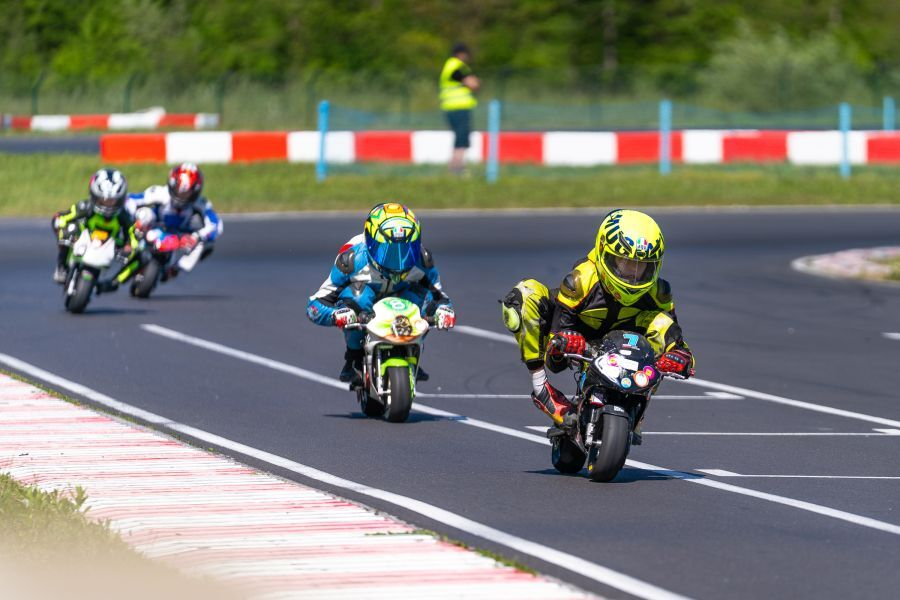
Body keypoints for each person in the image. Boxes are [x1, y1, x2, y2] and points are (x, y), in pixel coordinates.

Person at [500, 209, 695, 434]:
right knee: (525, 294)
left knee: (662, 325)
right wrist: (565, 340)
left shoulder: (659, 292)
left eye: (641, 266)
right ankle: (541, 388)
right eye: (625, 263)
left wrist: (679, 356)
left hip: (630, 344)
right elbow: (556, 358)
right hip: (581, 339)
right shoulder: (581, 280)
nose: (633, 274)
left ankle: (638, 411)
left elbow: (674, 336)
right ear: (604, 253)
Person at [307, 203, 456, 383]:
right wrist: (336, 315)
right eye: (387, 250)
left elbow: (440, 298)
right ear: (370, 242)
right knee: (357, 294)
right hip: (364, 308)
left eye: (406, 249)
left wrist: (443, 311)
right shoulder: (351, 260)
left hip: (402, 300)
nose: (398, 259)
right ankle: (354, 357)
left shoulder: (422, 260)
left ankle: (412, 350)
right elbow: (314, 306)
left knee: (426, 297)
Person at [124, 162, 223, 280]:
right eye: (179, 190)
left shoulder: (202, 204)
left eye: (186, 193)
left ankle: (176, 268)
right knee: (145, 213)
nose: (181, 196)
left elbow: (216, 224)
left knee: (204, 244)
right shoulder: (160, 192)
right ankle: (129, 244)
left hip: (180, 236)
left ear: (195, 191)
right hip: (155, 226)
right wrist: (133, 217)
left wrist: (197, 236)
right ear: (172, 183)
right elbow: (131, 199)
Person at [52, 168, 137, 288]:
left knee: (141, 255)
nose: (108, 204)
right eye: (103, 200)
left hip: (111, 243)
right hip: (83, 237)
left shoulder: (124, 216)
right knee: (68, 229)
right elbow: (62, 218)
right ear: (94, 195)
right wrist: (61, 227)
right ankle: (62, 266)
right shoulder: (84, 207)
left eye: (112, 201)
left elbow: (132, 234)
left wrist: (129, 247)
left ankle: (113, 282)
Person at [439, 42, 480, 175]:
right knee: (461, 138)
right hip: (458, 107)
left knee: (460, 137)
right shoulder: (456, 66)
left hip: (451, 107)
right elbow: (472, 83)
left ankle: (455, 167)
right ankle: (457, 168)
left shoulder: (449, 65)